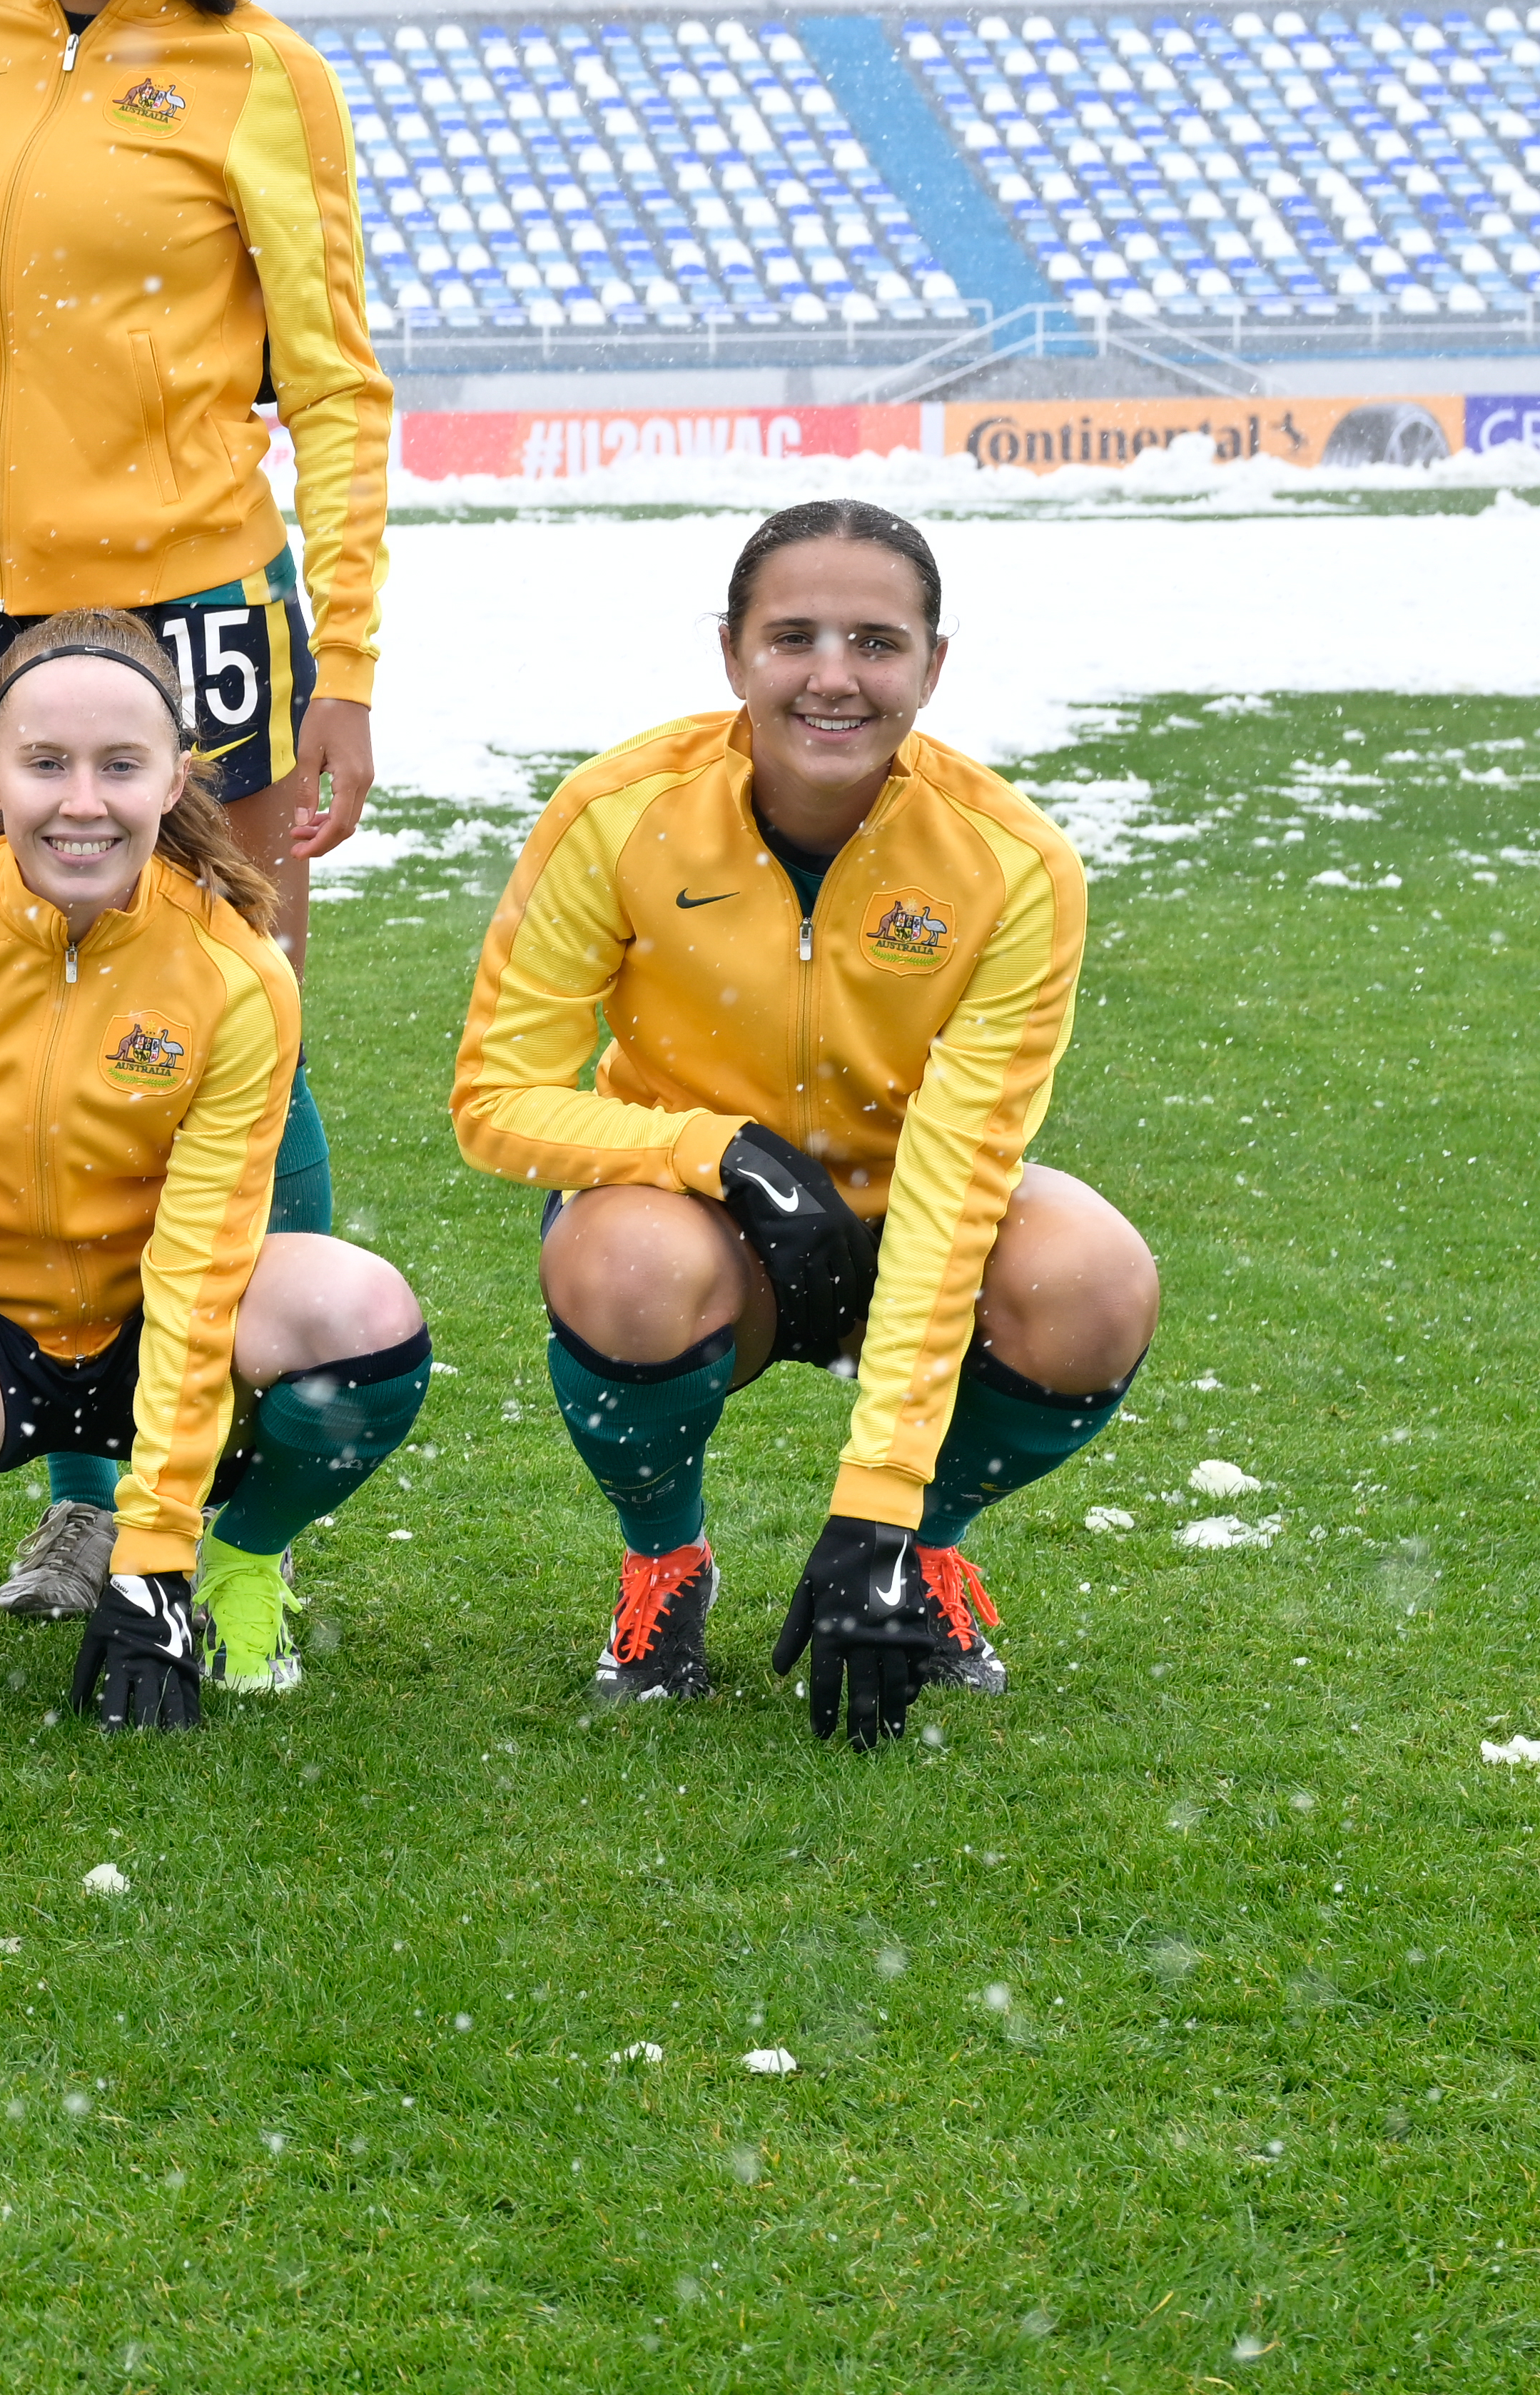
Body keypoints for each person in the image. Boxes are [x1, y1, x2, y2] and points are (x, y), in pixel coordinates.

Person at [0, 0, 396, 1638]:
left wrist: (340, 658)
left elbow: (337, 384)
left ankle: (249, 1463)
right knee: (21, 1064)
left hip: (200, 618)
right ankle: (81, 1485)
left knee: (233, 1037)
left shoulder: (255, 70)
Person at [453, 500, 1159, 1748]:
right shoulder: (618, 814)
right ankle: (664, 1568)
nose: (834, 676)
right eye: (794, 638)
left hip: (901, 1215)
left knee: (1095, 1281)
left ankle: (924, 1566)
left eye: (877, 643)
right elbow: (496, 1103)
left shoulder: (1013, 862)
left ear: (935, 666)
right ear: (732, 654)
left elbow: (959, 1176)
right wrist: (713, 1153)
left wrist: (877, 1508)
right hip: (691, 1224)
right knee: (625, 1269)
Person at [0, 614, 435, 1721]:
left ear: (175, 778)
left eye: (121, 765)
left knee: (362, 1317)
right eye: (46, 764)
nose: (83, 802)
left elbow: (209, 1256)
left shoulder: (235, 972)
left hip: (157, 1318)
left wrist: (153, 1556)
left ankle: (246, 1562)